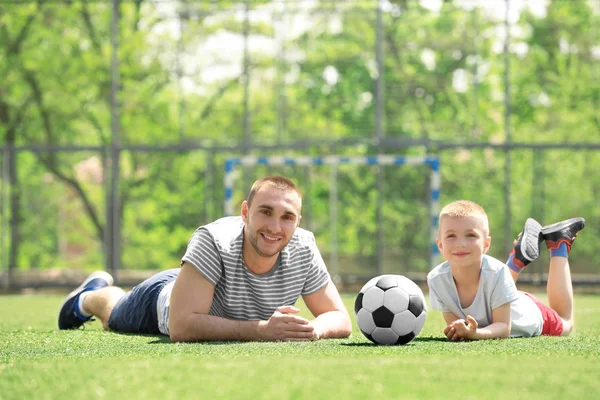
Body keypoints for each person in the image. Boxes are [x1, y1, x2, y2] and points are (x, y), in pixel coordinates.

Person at [58, 175, 352, 342]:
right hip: (163, 301)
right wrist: (262, 330)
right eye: (265, 212)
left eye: (287, 217)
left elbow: (340, 318)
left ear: (297, 222)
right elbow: (182, 327)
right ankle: (89, 297)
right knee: (113, 318)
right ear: (246, 212)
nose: (275, 227)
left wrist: (315, 329)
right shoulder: (213, 239)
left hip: (197, 285)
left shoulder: (304, 246)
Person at [427, 200, 585, 341]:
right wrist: (460, 330)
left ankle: (559, 244)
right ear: (440, 245)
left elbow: (503, 327)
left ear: (486, 244)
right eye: (451, 236)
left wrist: (475, 334)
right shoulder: (435, 279)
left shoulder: (497, 272)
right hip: (503, 294)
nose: (460, 243)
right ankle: (515, 261)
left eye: (470, 235)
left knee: (566, 322)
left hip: (531, 312)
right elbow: (456, 327)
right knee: (496, 273)